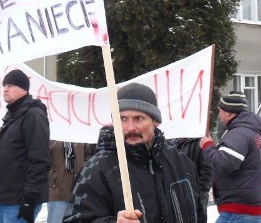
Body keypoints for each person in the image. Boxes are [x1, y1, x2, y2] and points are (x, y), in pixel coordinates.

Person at [63, 82, 200, 223]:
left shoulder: (181, 164)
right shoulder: (96, 170)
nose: (130, 128)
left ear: (155, 121)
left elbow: (199, 214)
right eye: (123, 119)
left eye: (138, 118)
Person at [0, 69, 51, 223]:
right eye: (4, 85)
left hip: (19, 199)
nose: (5, 88)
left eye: (11, 85)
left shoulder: (33, 114)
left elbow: (40, 159)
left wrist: (29, 198)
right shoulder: (14, 114)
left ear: (24, 89)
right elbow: (4, 149)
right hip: (6, 197)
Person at [200, 90, 261, 221]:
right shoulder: (251, 132)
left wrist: (208, 146)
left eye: (221, 110)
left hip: (239, 211)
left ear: (229, 112)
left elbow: (224, 164)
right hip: (249, 208)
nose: (219, 115)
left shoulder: (239, 133)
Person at [169, 137, 213, 223]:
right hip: (174, 193)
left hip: (196, 194)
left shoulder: (199, 142)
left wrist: (199, 191)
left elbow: (208, 170)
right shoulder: (167, 141)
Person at [48, 141, 90, 223]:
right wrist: (53, 177)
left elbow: (88, 154)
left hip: (78, 191)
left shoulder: (79, 135)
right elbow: (43, 158)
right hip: (58, 192)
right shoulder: (53, 136)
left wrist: (84, 170)